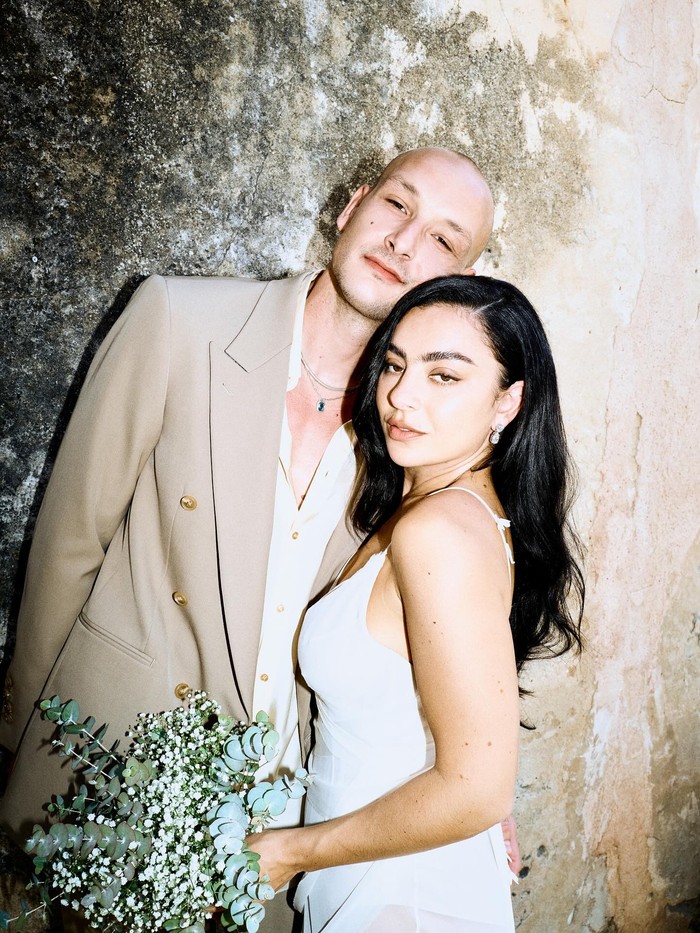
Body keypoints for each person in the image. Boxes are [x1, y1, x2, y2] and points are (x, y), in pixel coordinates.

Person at [0, 148, 511, 929]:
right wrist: (19, 744)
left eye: (443, 239)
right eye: (397, 205)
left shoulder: (413, 434)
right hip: (102, 775)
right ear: (353, 205)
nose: (405, 242)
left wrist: (477, 783)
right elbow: (69, 547)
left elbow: (440, 625)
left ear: (460, 280)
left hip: (268, 836)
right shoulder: (178, 321)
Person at [247, 274, 585, 931]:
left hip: (404, 893)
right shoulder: (438, 510)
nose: (401, 395)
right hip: (379, 866)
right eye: (395, 365)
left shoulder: (440, 530)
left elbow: (478, 789)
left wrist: (291, 852)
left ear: (508, 402)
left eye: (444, 375)